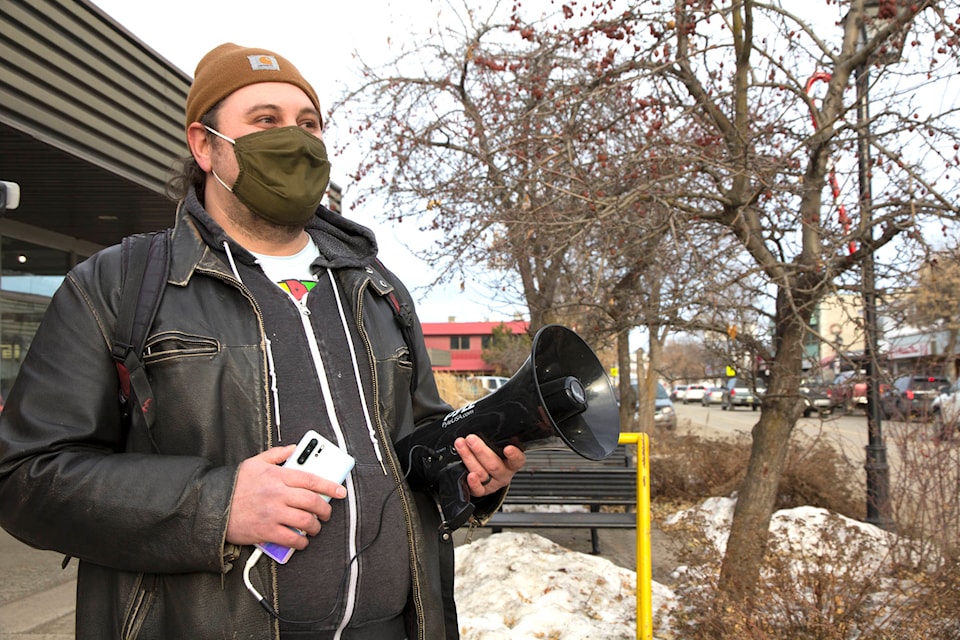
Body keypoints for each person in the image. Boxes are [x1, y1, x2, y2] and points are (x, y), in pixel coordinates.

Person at [0, 43, 526, 639]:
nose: (295, 139)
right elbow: (27, 477)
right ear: (205, 146)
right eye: (265, 121)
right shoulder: (117, 285)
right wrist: (216, 504)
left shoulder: (378, 288)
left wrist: (468, 475)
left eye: (308, 124)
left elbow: (414, 450)